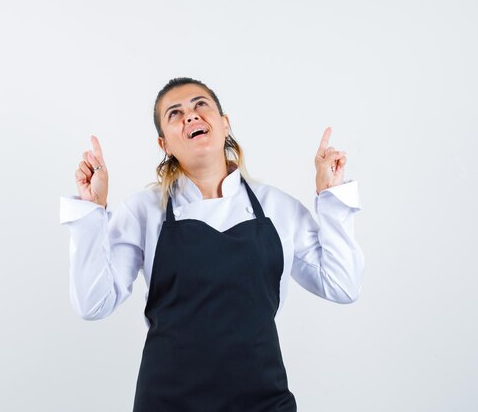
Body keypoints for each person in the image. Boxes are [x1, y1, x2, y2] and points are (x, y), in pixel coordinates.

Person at [60, 77, 364, 411]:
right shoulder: (144, 211)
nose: (190, 116)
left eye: (200, 104)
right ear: (164, 145)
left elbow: (342, 285)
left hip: (263, 401)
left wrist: (332, 198)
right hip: (168, 401)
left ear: (225, 123)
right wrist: (90, 211)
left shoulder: (277, 207)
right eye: (175, 113)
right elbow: (93, 303)